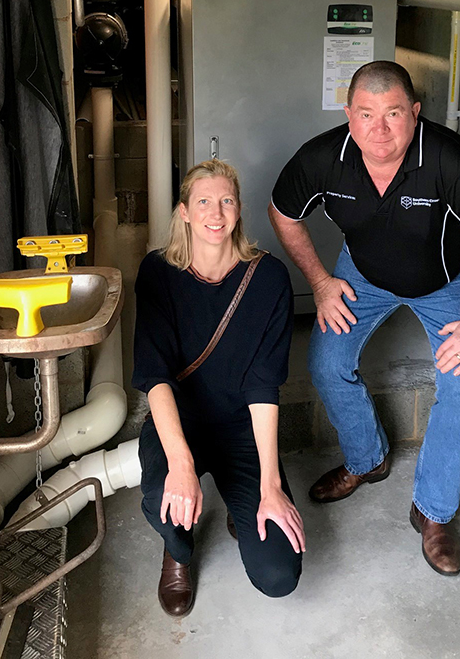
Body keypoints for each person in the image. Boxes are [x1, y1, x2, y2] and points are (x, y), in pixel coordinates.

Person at [269, 61, 460, 577]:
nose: (379, 130)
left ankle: (433, 512)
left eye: (392, 114)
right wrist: (320, 282)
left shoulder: (452, 161)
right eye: (365, 114)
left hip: (448, 279)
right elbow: (282, 213)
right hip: (361, 273)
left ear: (414, 113)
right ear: (348, 115)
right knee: (326, 360)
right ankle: (367, 460)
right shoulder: (324, 158)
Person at [134, 159, 304, 618]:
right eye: (204, 201)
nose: (216, 212)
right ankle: (179, 551)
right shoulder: (157, 273)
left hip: (241, 428)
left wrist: (271, 486)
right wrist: (181, 464)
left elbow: (265, 386)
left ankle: (242, 500)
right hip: (181, 423)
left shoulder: (268, 278)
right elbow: (155, 375)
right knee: (162, 496)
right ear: (185, 212)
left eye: (226, 200)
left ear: (239, 210)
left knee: (278, 575)